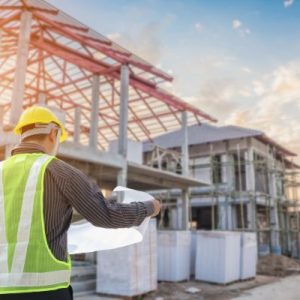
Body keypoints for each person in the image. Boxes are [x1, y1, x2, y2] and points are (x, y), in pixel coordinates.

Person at [0, 106, 161, 300]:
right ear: (53, 133)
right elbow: (106, 215)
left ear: (22, 135)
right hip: (46, 292)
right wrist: (148, 207)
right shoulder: (59, 171)